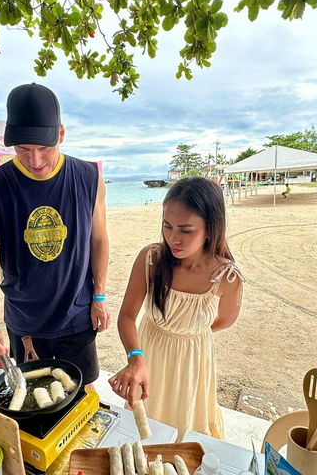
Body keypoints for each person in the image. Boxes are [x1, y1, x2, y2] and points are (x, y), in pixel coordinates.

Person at [0, 83, 109, 387]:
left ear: (61, 134)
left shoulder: (88, 178)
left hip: (77, 315)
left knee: (82, 395)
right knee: (31, 396)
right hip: (24, 322)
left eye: (44, 148)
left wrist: (99, 295)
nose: (36, 161)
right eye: (23, 150)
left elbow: (98, 240)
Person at [108, 177, 244, 439]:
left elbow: (224, 320)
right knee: (145, 431)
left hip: (193, 363)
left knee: (186, 429)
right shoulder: (151, 259)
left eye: (186, 230)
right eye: (167, 226)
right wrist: (135, 358)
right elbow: (126, 315)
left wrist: (188, 331)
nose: (173, 238)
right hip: (149, 356)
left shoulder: (227, 277)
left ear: (211, 228)